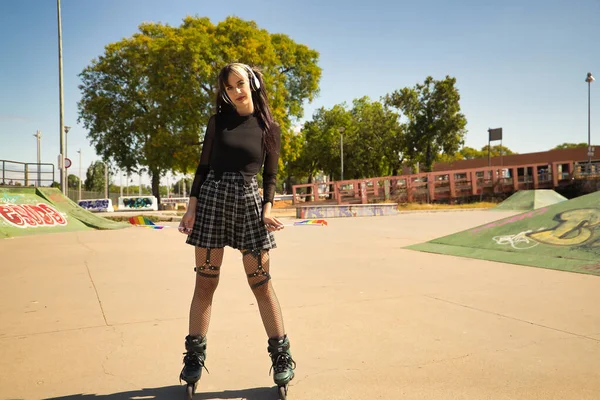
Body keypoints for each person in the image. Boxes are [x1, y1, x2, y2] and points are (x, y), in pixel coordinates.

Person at [178, 63, 296, 392]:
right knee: (205, 283)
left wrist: (267, 210)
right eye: (229, 88)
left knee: (261, 284)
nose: (236, 91)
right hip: (213, 199)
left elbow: (270, 176)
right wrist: (191, 208)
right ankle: (193, 358)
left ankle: (281, 356)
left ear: (253, 83)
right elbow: (202, 167)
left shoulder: (269, 127)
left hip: (248, 203)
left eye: (240, 83)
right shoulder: (217, 122)